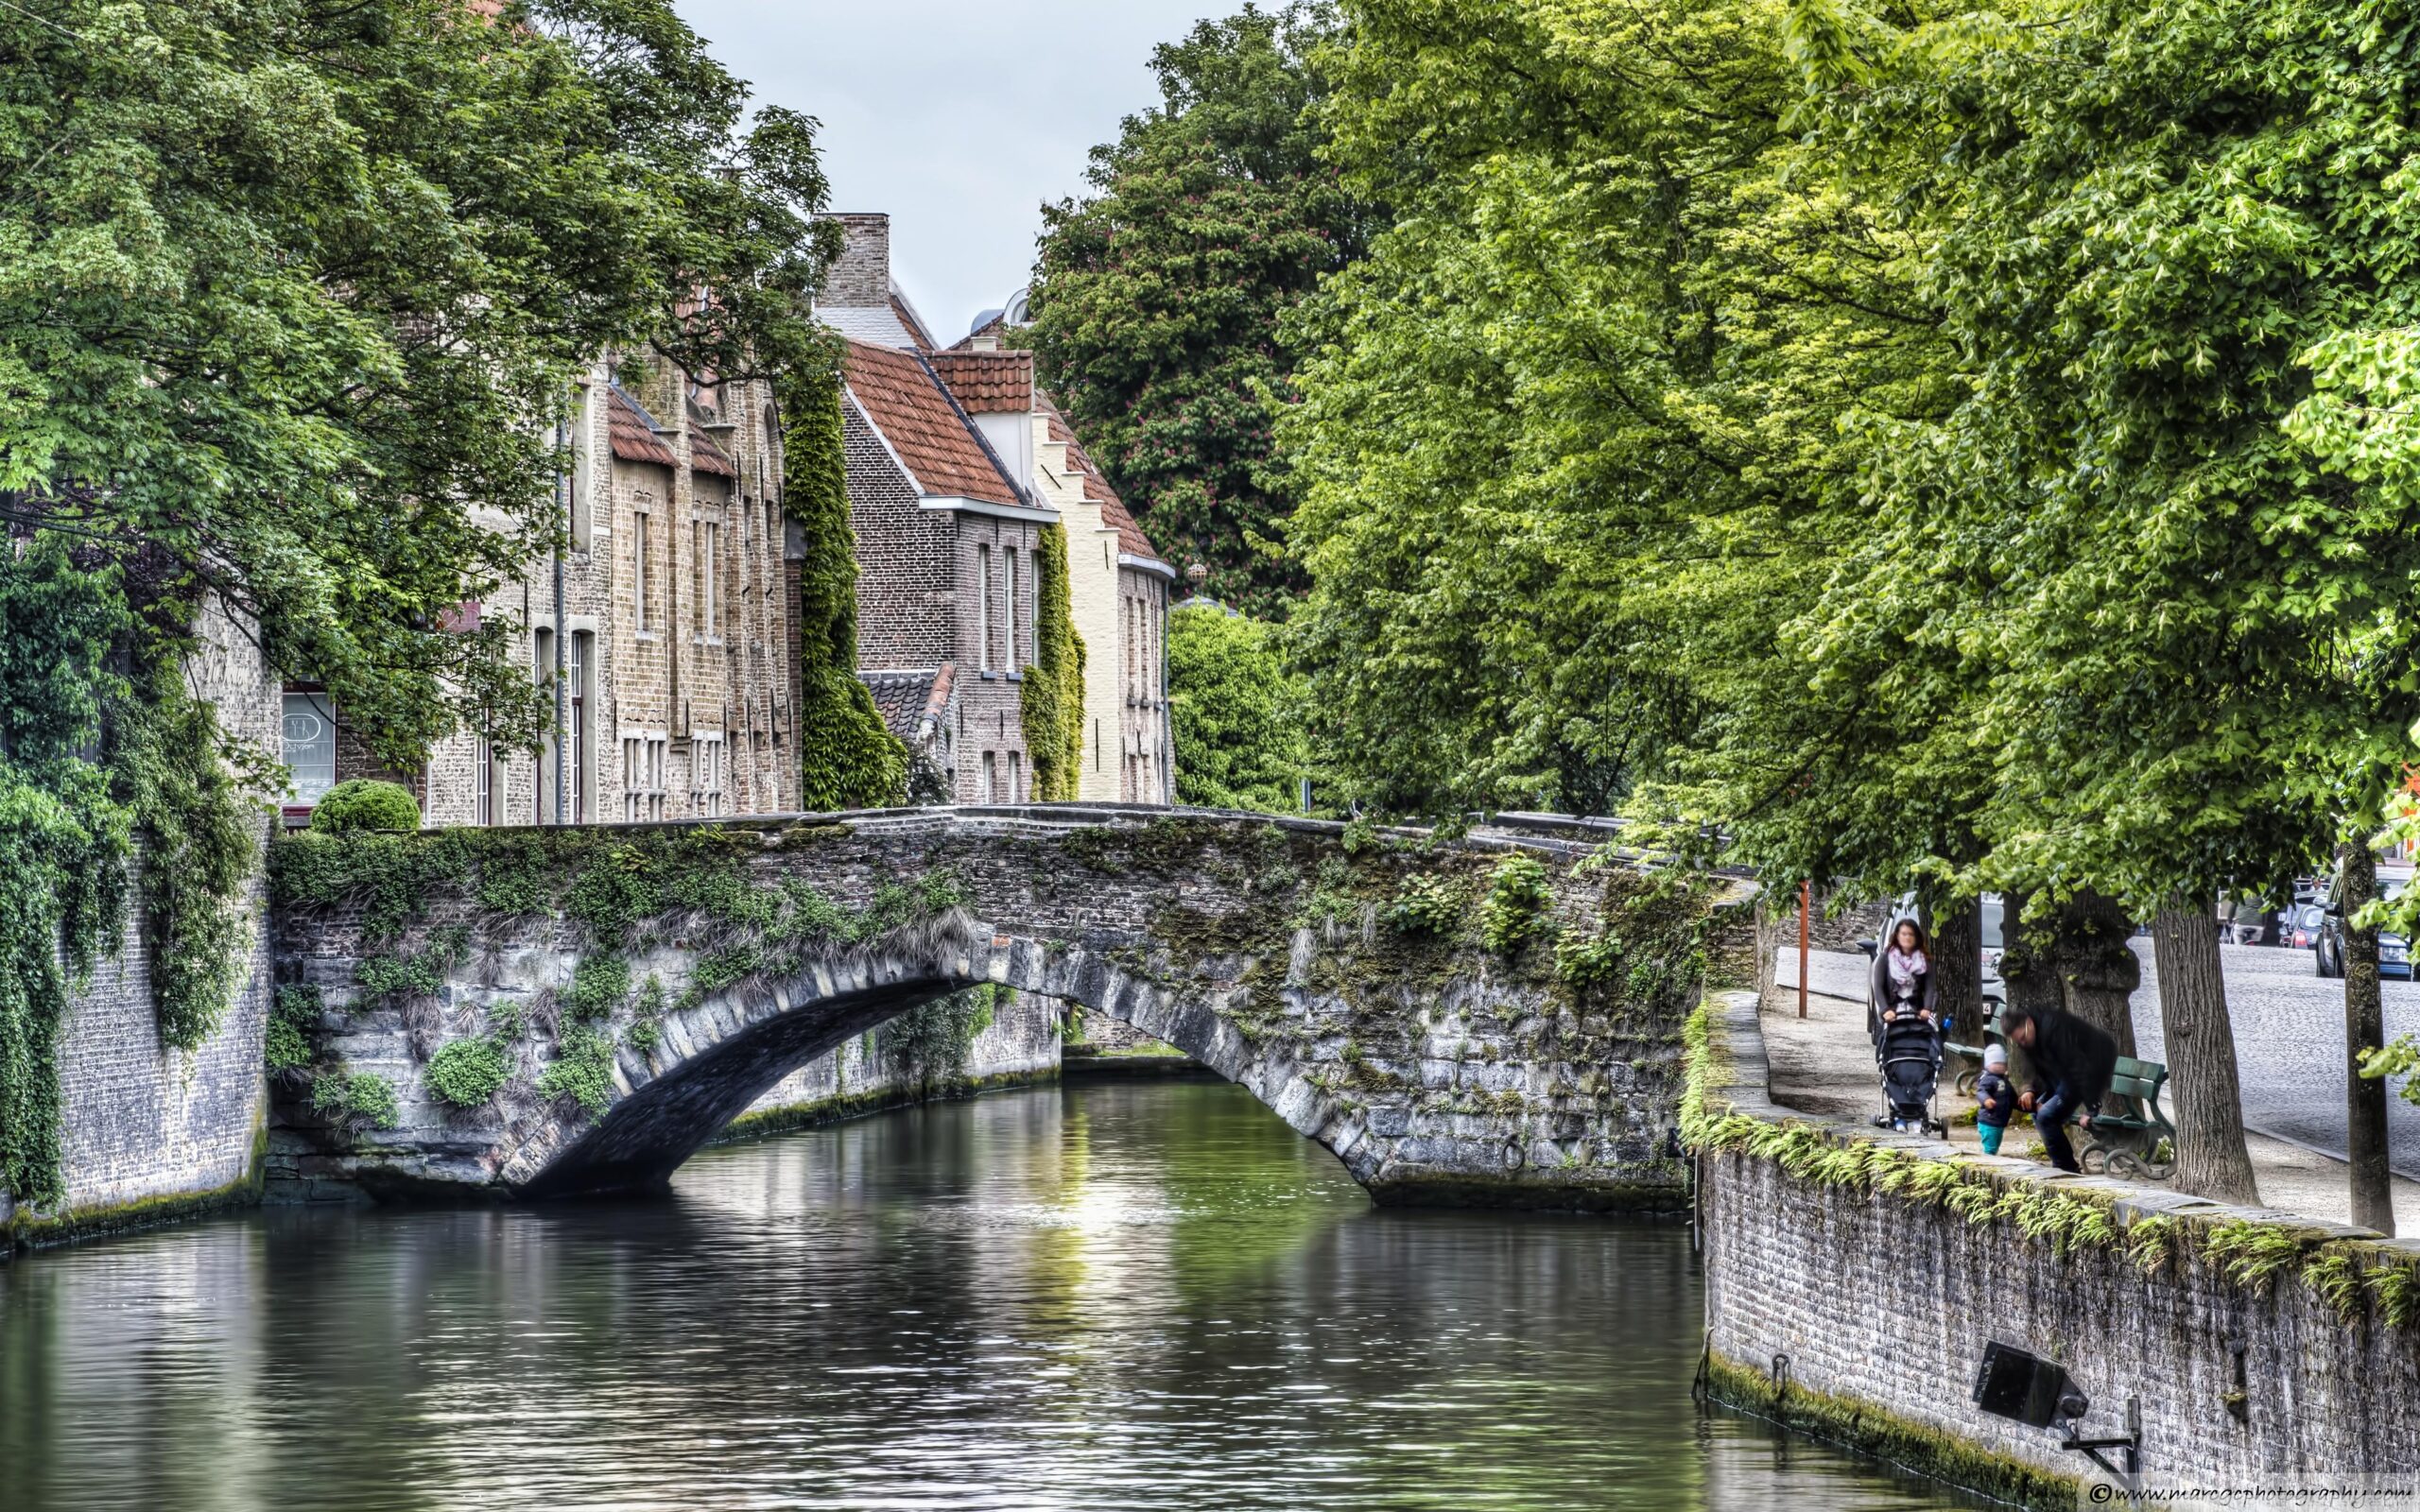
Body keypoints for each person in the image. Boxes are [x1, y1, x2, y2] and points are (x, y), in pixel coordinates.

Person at [2004, 1003, 2118, 1174]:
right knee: (2037, 1110)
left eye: (2023, 1039)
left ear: (2028, 1023)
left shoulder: (2054, 1029)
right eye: (2019, 1042)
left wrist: (2091, 1107)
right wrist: (2029, 1090)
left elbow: (2079, 1066)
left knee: (2045, 1116)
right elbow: (2033, 1065)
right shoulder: (2030, 1035)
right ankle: (2063, 1163)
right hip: (2063, 1074)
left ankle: (2066, 1169)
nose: (2023, 1044)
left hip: (2092, 1065)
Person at [1870, 919, 1938, 1031]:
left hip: (1917, 1013)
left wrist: (1927, 1008)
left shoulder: (1925, 960)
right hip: (1892, 1012)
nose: (1907, 937)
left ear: (1916, 937)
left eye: (1911, 934)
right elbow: (1878, 987)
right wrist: (1885, 1010)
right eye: (1904, 934)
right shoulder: (1885, 958)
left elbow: (1930, 988)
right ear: (1897, 935)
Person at [1975, 1043, 2015, 1157]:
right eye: (1995, 1063)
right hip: (1989, 1121)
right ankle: (1987, 1162)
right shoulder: (1988, 1079)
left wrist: (2030, 1106)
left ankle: (1990, 1158)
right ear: (1987, 1065)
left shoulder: (2005, 1081)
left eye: (2002, 1063)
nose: (1999, 1066)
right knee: (1990, 1148)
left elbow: (2013, 1098)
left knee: (1995, 1146)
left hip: (1999, 1122)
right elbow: (1981, 1091)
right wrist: (1986, 1099)